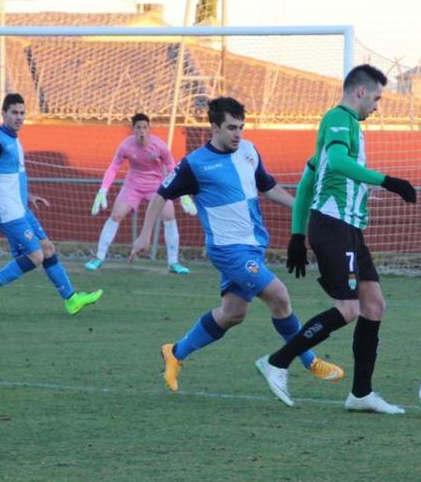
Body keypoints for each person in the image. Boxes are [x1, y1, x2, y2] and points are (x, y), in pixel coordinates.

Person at [130, 96, 344, 393]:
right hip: (228, 250)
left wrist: (303, 211)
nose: (238, 134)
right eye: (231, 128)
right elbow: (160, 194)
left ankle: (175, 352)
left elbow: (268, 188)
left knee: (233, 313)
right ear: (214, 127)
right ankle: (309, 361)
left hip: (253, 247)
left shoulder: (248, 150)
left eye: (241, 127)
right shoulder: (194, 164)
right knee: (279, 297)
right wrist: (144, 234)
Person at [254, 64, 417, 413]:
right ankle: (277, 362)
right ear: (360, 91)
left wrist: (297, 235)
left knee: (374, 307)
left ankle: (360, 394)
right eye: (376, 98)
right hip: (333, 226)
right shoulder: (339, 119)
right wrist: (389, 181)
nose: (377, 106)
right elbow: (340, 163)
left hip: (348, 229)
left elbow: (306, 184)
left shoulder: (340, 130)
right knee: (350, 308)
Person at [0, 93, 103, 318]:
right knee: (36, 255)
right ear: (3, 114)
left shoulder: (13, 138)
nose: (19, 117)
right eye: (14, 113)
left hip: (19, 206)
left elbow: (9, 177)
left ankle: (71, 300)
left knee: (48, 248)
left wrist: (28, 195)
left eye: (22, 113)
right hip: (6, 210)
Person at [85, 113, 196, 274]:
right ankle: (99, 257)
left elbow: (172, 166)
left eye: (145, 127)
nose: (142, 131)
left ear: (149, 129)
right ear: (133, 129)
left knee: (169, 216)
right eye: (138, 127)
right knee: (116, 214)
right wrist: (103, 190)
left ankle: (173, 263)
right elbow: (114, 167)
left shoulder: (159, 146)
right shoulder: (125, 146)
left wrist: (183, 194)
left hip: (157, 186)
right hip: (133, 185)